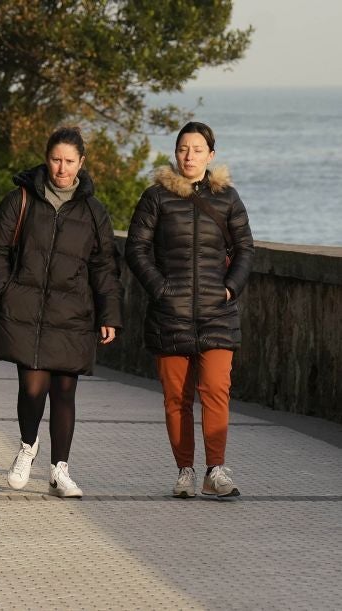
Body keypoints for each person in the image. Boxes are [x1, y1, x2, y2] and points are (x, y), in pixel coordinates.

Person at [0, 127, 122, 497]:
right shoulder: (21, 200)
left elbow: (105, 266)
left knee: (64, 390)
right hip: (26, 309)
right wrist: (5, 292)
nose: (62, 168)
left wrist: (110, 314)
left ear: (81, 163)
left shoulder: (93, 211)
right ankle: (28, 446)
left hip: (73, 313)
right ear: (46, 158)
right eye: (56, 159)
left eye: (69, 161)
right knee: (32, 386)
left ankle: (60, 470)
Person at [125, 121, 254, 498]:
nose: (189, 155)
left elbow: (246, 248)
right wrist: (161, 289)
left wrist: (231, 289)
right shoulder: (155, 198)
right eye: (183, 148)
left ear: (211, 155)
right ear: (175, 152)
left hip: (217, 311)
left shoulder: (228, 198)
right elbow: (136, 249)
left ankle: (216, 470)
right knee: (176, 398)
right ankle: (185, 470)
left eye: (197, 149)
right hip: (171, 312)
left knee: (216, 389)